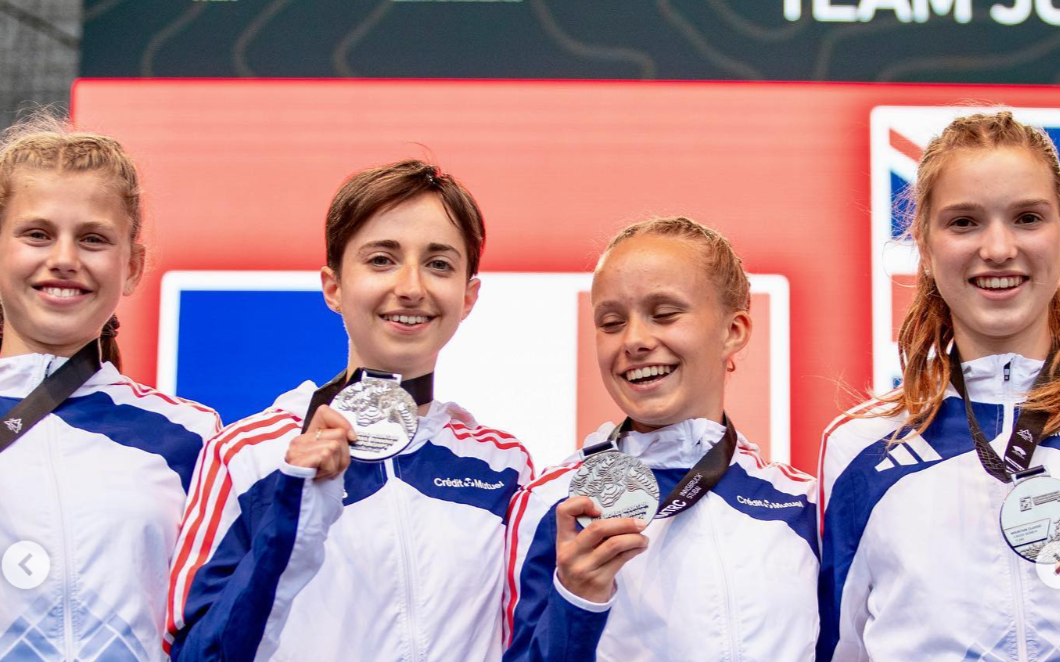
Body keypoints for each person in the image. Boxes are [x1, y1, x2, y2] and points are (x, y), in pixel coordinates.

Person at [166, 160, 534, 661]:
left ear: (468, 296)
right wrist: (290, 517)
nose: (410, 287)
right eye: (381, 259)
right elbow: (193, 654)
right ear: (333, 286)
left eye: (439, 264)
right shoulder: (247, 454)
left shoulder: (505, 465)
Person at [504, 217, 818, 661]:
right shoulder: (552, 502)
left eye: (665, 314)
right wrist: (576, 600)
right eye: (611, 322)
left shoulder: (802, 505)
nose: (633, 340)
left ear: (734, 331)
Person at [818, 111, 1060, 661]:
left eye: (1027, 217)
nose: (998, 248)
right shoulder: (860, 448)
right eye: (964, 222)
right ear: (924, 245)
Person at [0, 118, 222, 661]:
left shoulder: (194, 437)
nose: (65, 258)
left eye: (93, 239)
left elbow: (214, 624)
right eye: (37, 234)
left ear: (133, 266)